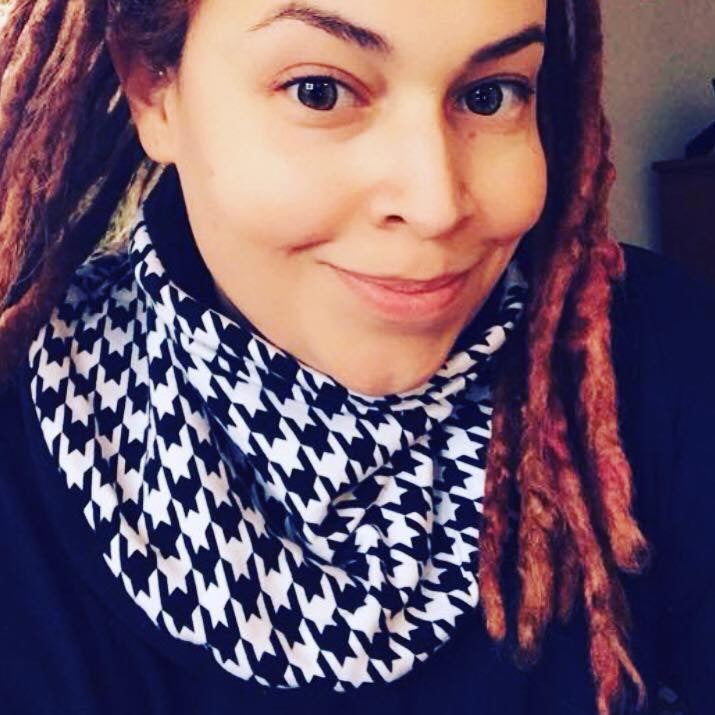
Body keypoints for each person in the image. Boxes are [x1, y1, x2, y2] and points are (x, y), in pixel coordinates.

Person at [0, 1, 712, 714]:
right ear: (153, 89)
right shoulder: (21, 462)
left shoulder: (649, 352)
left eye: (490, 95)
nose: (435, 205)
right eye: (320, 91)